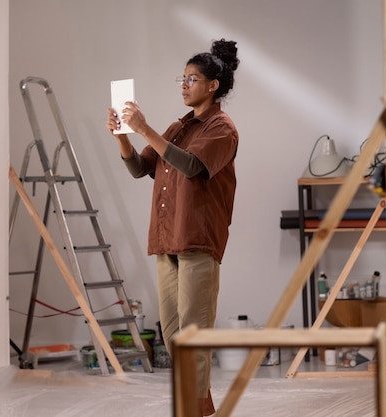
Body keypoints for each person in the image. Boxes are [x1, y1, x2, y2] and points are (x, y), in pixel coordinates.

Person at [106, 38, 239, 417]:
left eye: (191, 79)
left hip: (198, 240)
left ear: (212, 86)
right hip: (168, 240)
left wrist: (145, 128)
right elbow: (139, 168)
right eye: (181, 79)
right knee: (175, 336)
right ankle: (196, 408)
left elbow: (192, 166)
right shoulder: (178, 127)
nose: (183, 85)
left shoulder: (222, 128)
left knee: (194, 336)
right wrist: (122, 136)